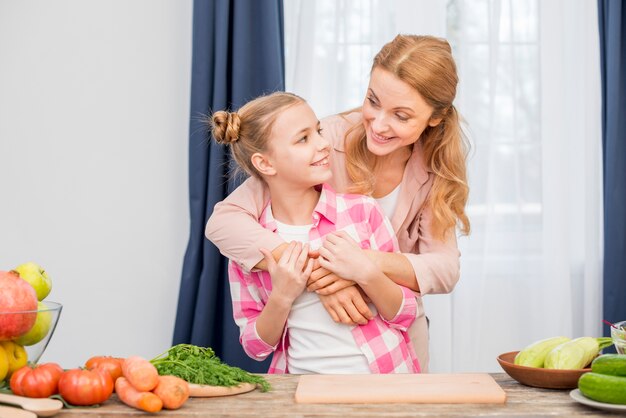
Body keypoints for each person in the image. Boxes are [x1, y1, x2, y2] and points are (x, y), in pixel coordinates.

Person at [205, 35, 470, 372]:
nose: (378, 123)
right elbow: (224, 222)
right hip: (311, 359)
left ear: (435, 118)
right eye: (373, 101)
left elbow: (444, 270)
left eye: (401, 116)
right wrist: (316, 273)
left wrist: (363, 266)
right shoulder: (324, 140)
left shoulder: (434, 170)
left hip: (393, 344)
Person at [210, 91, 420, 374]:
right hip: (301, 386)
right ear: (265, 164)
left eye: (319, 131)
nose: (323, 144)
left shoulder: (362, 211)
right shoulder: (250, 243)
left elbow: (405, 314)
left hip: (385, 380)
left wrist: (366, 272)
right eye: (303, 138)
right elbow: (255, 347)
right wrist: (282, 296)